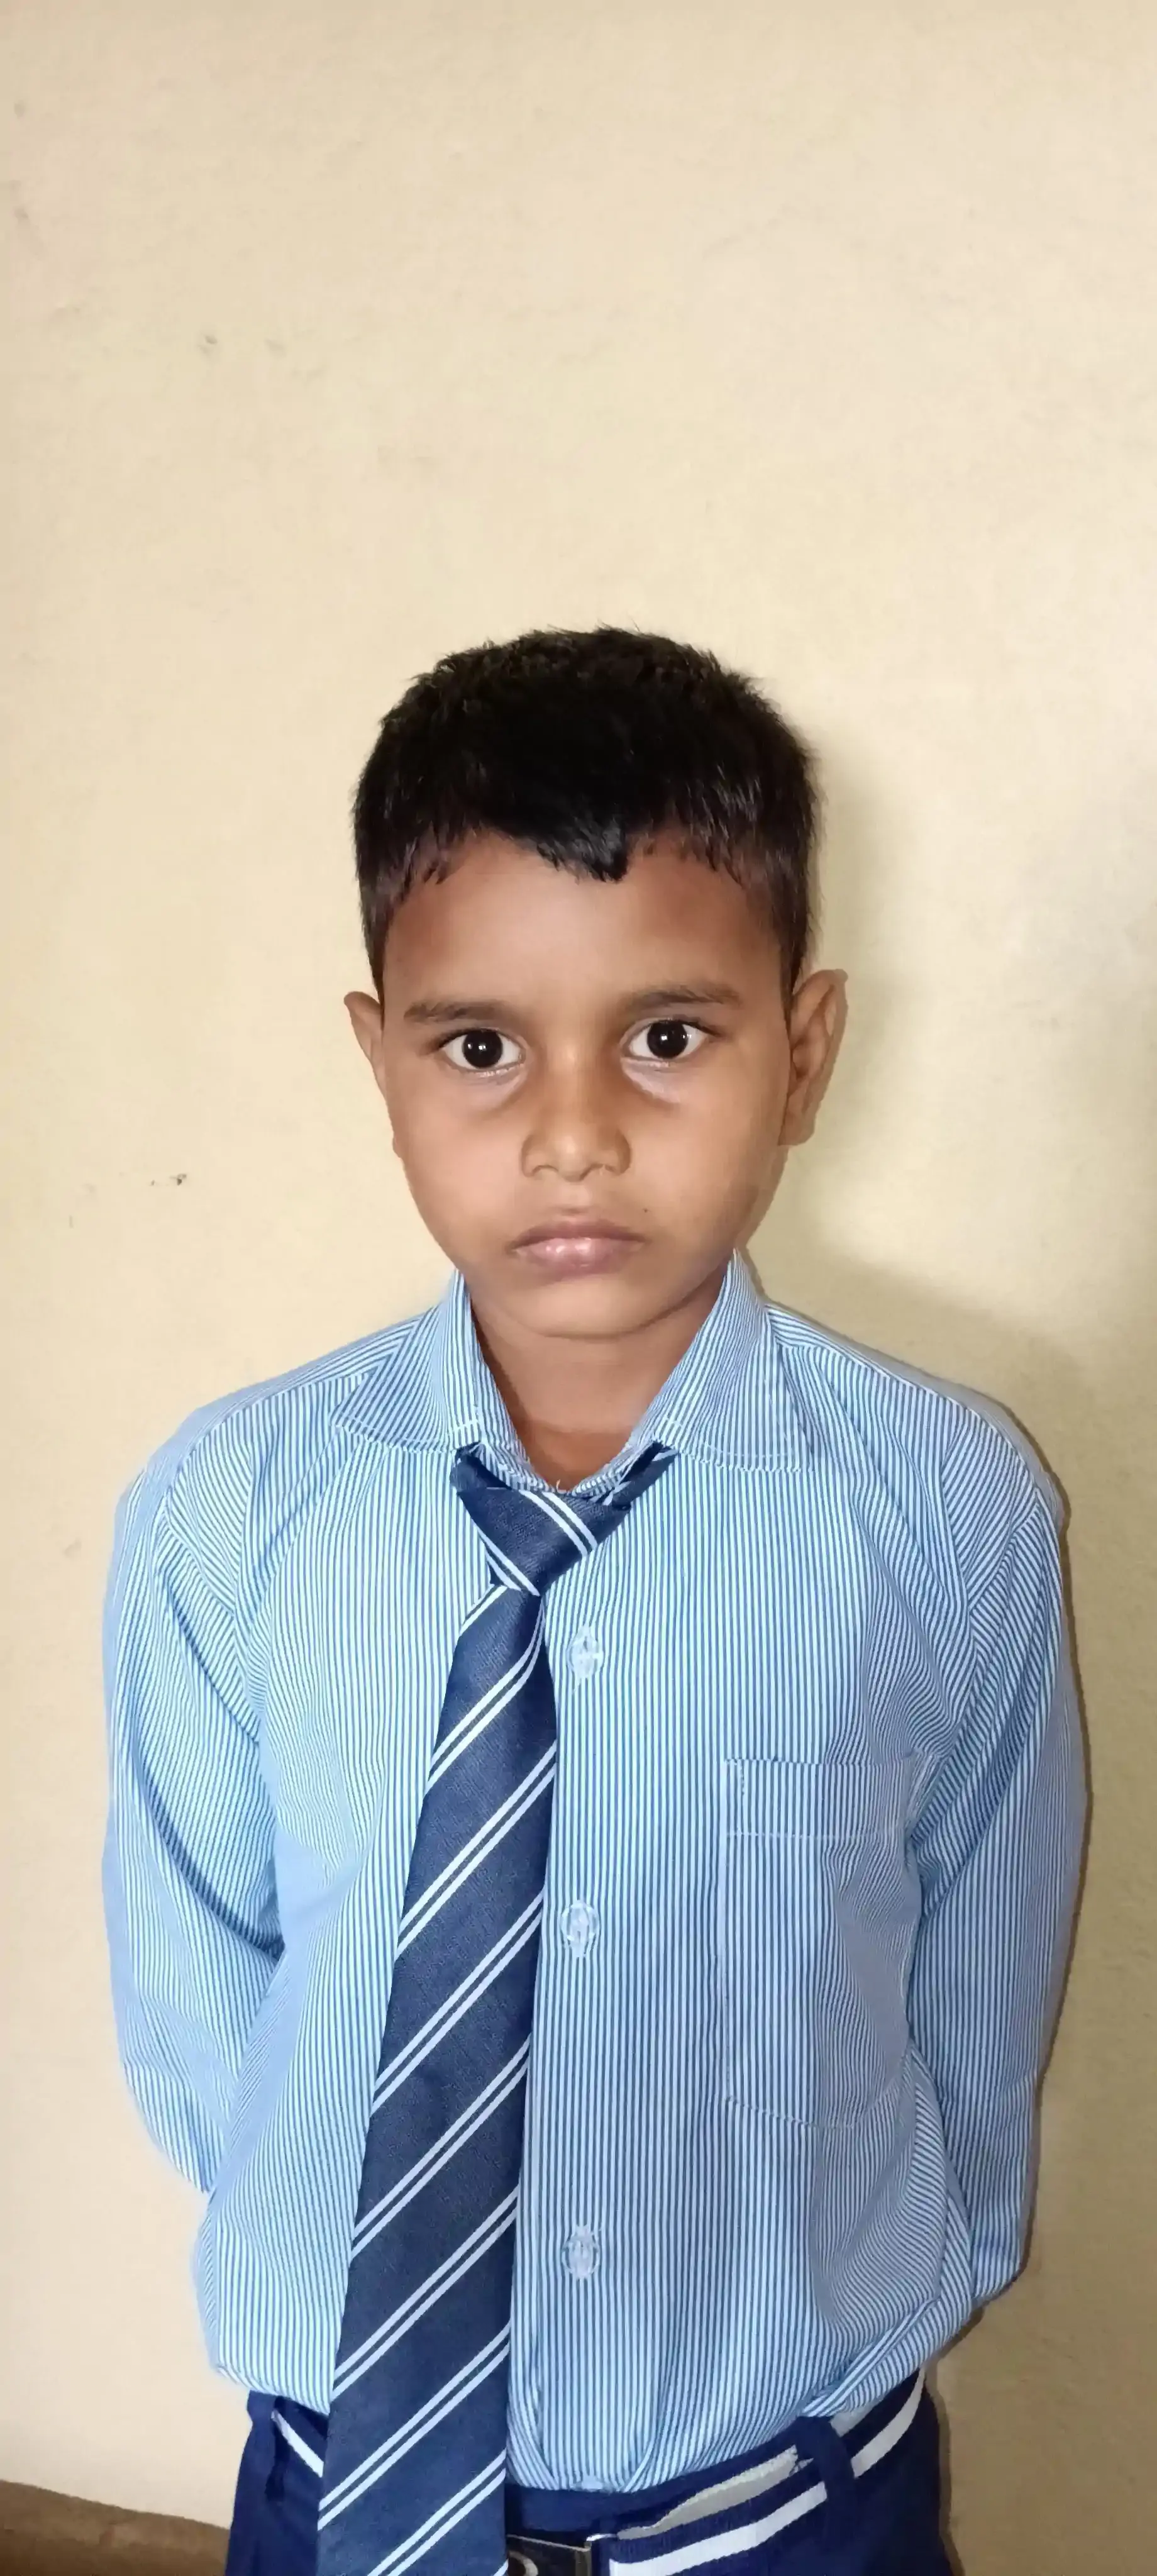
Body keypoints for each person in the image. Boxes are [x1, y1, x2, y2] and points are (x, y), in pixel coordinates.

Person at [102, 628, 1084, 2576]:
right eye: (480, 1048)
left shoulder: (948, 1507)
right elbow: (203, 1993)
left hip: (784, 2509)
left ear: (803, 1052)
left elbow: (981, 1976)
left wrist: (852, 2293)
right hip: (342, 2489)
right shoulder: (231, 1510)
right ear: (382, 1063)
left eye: (668, 1037)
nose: (574, 1132)